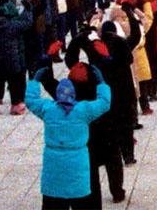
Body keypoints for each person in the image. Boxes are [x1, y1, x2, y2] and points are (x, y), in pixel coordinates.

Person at [25, 63, 112, 209]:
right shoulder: (83, 110)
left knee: (54, 203)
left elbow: (31, 100)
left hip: (53, 170)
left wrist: (34, 81)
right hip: (78, 168)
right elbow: (104, 103)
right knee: (83, 203)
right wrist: (101, 83)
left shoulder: (48, 109)